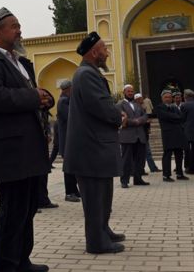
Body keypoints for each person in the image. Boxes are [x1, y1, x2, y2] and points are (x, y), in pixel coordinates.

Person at [0, 7, 53, 272]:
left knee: (27, 210)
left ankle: (21, 260)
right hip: (10, 152)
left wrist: (45, 98)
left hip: (29, 150)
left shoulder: (21, 63)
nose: (19, 30)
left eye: (19, 25)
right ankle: (3, 265)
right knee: (12, 211)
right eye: (14, 26)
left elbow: (30, 94)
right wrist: (32, 98)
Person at [63, 32, 126, 254]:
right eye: (105, 48)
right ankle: (96, 242)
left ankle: (103, 230)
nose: (107, 52)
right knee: (94, 198)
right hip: (91, 148)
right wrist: (119, 117)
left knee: (103, 194)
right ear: (94, 52)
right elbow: (100, 105)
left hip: (96, 147)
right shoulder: (86, 75)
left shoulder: (89, 73)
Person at [116, 84, 149, 188]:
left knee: (140, 159)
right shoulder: (120, 105)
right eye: (128, 91)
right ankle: (124, 181)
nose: (130, 93)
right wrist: (133, 121)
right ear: (124, 92)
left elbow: (145, 115)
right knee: (126, 160)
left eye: (132, 91)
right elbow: (120, 118)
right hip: (127, 136)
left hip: (140, 136)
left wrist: (139, 120)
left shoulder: (138, 104)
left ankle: (138, 179)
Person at [156, 90, 189, 182]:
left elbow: (182, 117)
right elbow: (165, 116)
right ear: (162, 98)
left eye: (170, 97)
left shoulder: (174, 107)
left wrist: (174, 117)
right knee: (167, 155)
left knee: (179, 154)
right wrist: (175, 117)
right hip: (168, 135)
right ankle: (166, 175)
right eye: (166, 97)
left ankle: (179, 173)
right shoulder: (159, 107)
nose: (168, 99)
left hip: (178, 134)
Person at [56, 80, 81, 202]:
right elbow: (72, 117)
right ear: (67, 89)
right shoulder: (63, 102)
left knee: (74, 167)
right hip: (67, 141)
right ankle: (69, 192)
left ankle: (74, 190)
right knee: (69, 168)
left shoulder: (68, 101)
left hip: (72, 140)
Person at [135, 93, 161, 173]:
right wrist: (146, 121)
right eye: (140, 99)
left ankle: (144, 169)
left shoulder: (142, 108)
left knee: (146, 152)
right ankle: (146, 169)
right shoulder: (135, 108)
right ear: (136, 100)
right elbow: (137, 120)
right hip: (139, 134)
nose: (141, 100)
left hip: (144, 133)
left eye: (141, 98)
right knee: (145, 152)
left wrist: (148, 126)